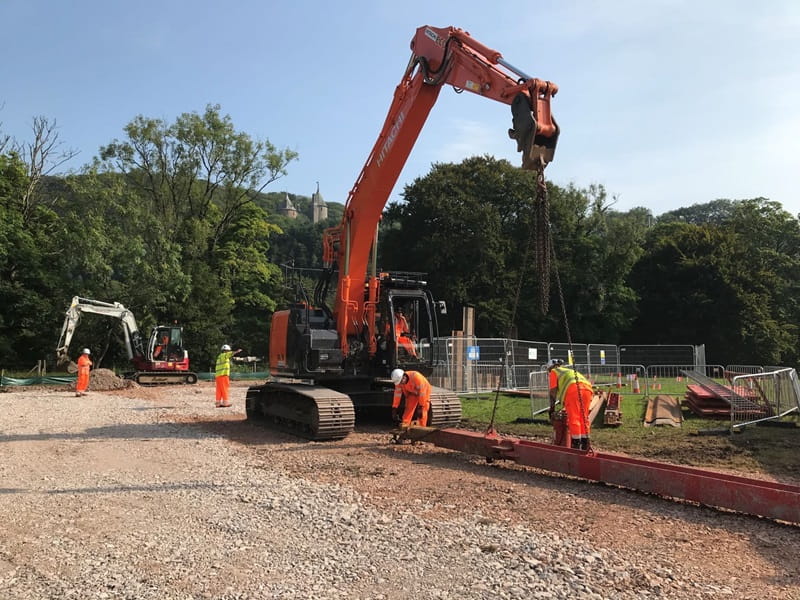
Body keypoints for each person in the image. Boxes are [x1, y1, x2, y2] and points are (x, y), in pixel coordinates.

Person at [546, 359, 592, 450]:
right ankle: (585, 444)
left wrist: (552, 409)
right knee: (584, 418)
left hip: (573, 391)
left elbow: (553, 392)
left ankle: (576, 445)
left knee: (574, 418)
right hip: (588, 390)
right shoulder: (569, 371)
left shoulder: (554, 372)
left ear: (550, 368)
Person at [215, 344, 242, 408]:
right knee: (225, 389)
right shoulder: (224, 355)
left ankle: (218, 403)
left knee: (219, 390)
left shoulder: (219, 356)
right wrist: (237, 351)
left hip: (218, 376)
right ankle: (225, 403)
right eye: (228, 351)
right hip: (223, 375)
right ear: (226, 351)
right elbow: (230, 354)